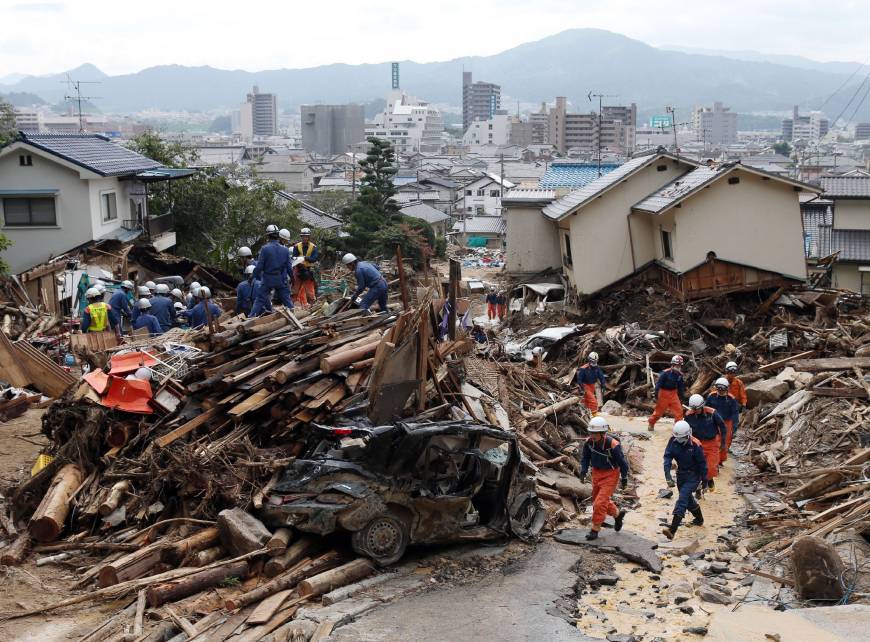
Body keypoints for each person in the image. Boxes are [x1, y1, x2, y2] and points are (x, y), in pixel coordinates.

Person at [579, 416, 629, 540]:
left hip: (611, 474)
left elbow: (623, 463)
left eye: (595, 433)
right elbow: (585, 458)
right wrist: (583, 471)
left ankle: (595, 529)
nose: (592, 435)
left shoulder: (613, 444)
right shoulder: (589, 442)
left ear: (602, 433)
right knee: (599, 500)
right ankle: (617, 515)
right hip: (596, 473)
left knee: (599, 503)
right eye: (591, 432)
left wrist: (624, 478)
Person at [662, 420, 708, 539]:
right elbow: (667, 456)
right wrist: (667, 476)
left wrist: (705, 481)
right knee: (687, 499)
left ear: (688, 434)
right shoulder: (673, 440)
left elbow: (703, 464)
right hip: (681, 474)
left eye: (682, 438)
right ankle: (699, 519)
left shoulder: (695, 445)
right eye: (678, 437)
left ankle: (672, 530)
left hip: (693, 476)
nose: (679, 440)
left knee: (682, 498)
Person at [684, 393, 727, 493]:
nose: (696, 411)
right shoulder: (688, 415)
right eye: (694, 409)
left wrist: (723, 442)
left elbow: (723, 426)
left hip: (712, 443)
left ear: (702, 405)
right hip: (697, 443)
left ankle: (710, 479)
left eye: (698, 409)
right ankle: (699, 486)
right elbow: (685, 430)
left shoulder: (712, 413)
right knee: (697, 466)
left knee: (711, 467)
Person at [251, 225, 294, 316]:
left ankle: (250, 318)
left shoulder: (265, 249)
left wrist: (252, 276)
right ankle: (294, 316)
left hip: (267, 279)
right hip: (280, 279)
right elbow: (289, 268)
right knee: (286, 299)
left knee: (260, 299)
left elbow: (259, 267)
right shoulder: (285, 250)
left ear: (268, 236)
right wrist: (293, 280)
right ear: (278, 235)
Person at [648, 355, 686, 431]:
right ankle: (651, 423)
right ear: (673, 365)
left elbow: (681, 387)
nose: (678, 367)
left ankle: (678, 429)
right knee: (658, 413)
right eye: (677, 365)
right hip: (663, 394)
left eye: (679, 366)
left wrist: (682, 397)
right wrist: (656, 395)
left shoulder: (680, 375)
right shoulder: (665, 373)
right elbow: (658, 385)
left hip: (673, 394)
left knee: (679, 412)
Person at [706, 377, 739, 463]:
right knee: (715, 440)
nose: (720, 390)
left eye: (722, 388)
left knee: (725, 441)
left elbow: (735, 413)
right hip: (714, 422)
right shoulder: (711, 396)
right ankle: (715, 459)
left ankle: (721, 460)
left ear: (727, 388)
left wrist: (734, 426)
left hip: (726, 422)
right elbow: (706, 409)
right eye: (718, 388)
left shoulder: (731, 399)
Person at [291, 228, 320, 307]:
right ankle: (292, 306)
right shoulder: (297, 246)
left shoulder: (313, 247)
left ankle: (312, 306)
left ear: (309, 237)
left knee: (310, 292)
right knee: (295, 290)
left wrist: (304, 258)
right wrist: (300, 263)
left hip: (308, 270)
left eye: (306, 236)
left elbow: (314, 258)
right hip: (298, 269)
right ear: (301, 237)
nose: (304, 238)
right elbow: (294, 257)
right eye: (303, 236)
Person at [725, 361, 747, 439]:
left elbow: (743, 395)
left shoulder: (738, 383)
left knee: (734, 422)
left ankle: (731, 435)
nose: (732, 374)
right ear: (727, 372)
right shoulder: (722, 383)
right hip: (723, 405)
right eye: (731, 372)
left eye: (734, 372)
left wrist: (744, 405)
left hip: (735, 405)